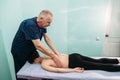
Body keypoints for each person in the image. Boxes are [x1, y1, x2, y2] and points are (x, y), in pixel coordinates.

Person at [11, 10, 63, 80]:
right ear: (41, 18)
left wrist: (56, 53)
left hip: (31, 49)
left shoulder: (42, 25)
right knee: (22, 73)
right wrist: (53, 57)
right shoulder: (29, 24)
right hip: (20, 51)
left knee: (36, 66)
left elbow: (47, 38)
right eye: (48, 22)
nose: (49, 24)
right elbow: (38, 45)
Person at [28, 51, 120, 73]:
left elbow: (58, 71)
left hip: (74, 63)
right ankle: (117, 60)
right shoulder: (47, 54)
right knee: (97, 61)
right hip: (74, 55)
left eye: (34, 62)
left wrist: (73, 70)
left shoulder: (44, 64)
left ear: (35, 60)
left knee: (99, 66)